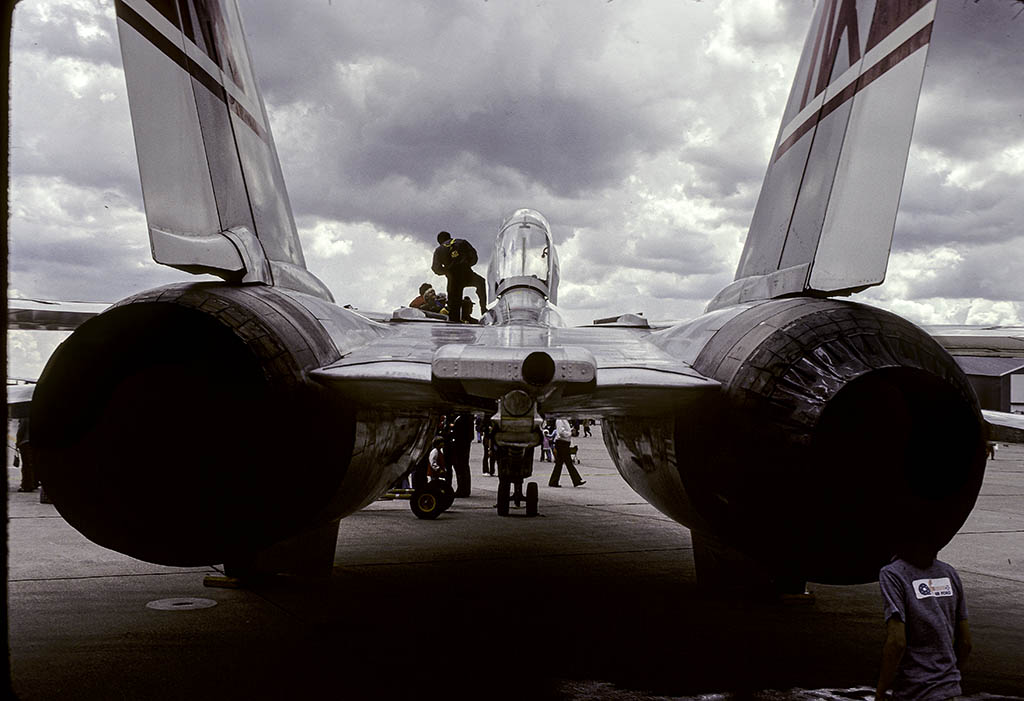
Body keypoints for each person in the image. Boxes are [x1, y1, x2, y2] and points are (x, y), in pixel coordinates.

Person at [875, 544, 972, 701]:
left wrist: (881, 691)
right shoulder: (949, 573)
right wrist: (947, 679)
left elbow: (897, 642)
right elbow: (965, 642)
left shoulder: (893, 574)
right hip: (947, 691)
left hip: (914, 691)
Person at [431, 231, 487, 323]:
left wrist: (447, 271)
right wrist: (467, 265)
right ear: (449, 237)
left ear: (439, 241)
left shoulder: (438, 250)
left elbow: (435, 268)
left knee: (454, 306)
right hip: (467, 273)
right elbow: (474, 256)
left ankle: (455, 321)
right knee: (481, 282)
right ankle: (484, 310)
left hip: (453, 279)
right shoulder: (462, 242)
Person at [548, 417, 585, 488]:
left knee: (560, 464)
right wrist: (570, 433)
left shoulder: (564, 420)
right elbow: (560, 432)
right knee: (568, 463)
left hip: (564, 443)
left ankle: (553, 481)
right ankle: (576, 480)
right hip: (562, 443)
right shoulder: (560, 420)